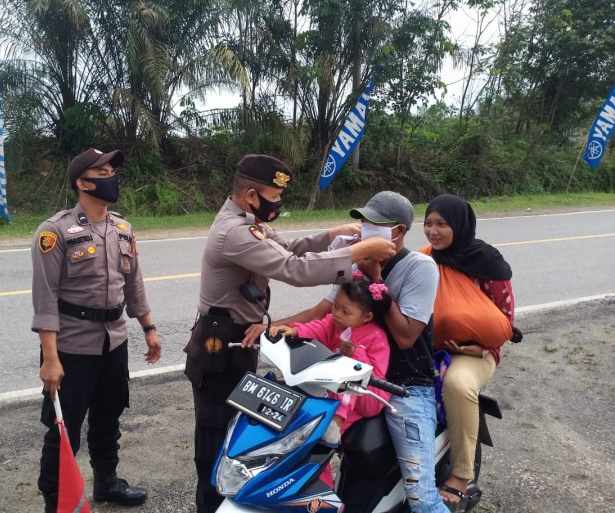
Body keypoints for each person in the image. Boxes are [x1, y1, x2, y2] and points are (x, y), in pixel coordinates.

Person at [184, 154, 397, 513]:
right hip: (219, 345)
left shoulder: (251, 222)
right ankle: (211, 506)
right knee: (216, 440)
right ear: (252, 195)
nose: (279, 203)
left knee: (243, 436)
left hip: (242, 339)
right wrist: (359, 251)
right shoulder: (234, 232)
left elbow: (289, 248)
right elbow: (293, 269)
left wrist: (333, 235)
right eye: (274, 195)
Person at [252, 191, 450, 512]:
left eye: (376, 223)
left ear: (398, 231)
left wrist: (376, 278)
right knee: (300, 439)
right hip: (347, 376)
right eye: (363, 221)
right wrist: (272, 329)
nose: (365, 228)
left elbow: (405, 336)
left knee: (421, 496)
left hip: (402, 386)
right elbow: (325, 312)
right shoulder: (354, 264)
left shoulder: (420, 267)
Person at [31, 147, 162, 513]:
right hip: (71, 347)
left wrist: (148, 327)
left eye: (111, 171)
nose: (111, 178)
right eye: (102, 172)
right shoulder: (54, 232)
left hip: (114, 341)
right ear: (82, 182)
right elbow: (45, 298)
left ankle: (106, 483)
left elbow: (133, 283)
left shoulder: (122, 228)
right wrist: (50, 359)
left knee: (108, 419)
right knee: (63, 432)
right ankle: (57, 501)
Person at [420, 194, 515, 512]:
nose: (433, 231)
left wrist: (483, 348)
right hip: (426, 346)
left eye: (442, 224)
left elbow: (505, 318)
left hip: (474, 353)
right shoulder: (423, 259)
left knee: (458, 384)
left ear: (459, 226)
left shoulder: (485, 262)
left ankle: (462, 475)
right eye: (428, 223)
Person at [270, 276, 392, 443]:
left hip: (368, 395)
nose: (337, 314)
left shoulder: (376, 337)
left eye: (345, 311)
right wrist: (296, 331)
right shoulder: (334, 323)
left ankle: (336, 420)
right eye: (335, 306)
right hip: (333, 386)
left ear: (367, 317)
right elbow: (318, 327)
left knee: (320, 435)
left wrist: (356, 354)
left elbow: (374, 375)